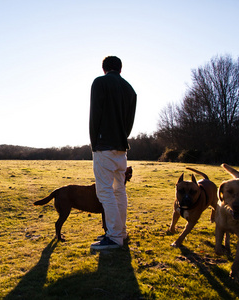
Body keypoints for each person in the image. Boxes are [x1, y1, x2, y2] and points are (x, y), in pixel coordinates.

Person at [89, 56, 137, 250]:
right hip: (121, 147)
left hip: (104, 145)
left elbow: (95, 114)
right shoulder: (130, 89)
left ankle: (115, 236)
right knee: (119, 190)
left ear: (104, 68)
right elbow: (129, 121)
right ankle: (120, 231)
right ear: (120, 69)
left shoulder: (100, 82)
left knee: (105, 191)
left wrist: (94, 143)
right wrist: (123, 137)